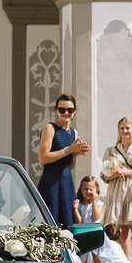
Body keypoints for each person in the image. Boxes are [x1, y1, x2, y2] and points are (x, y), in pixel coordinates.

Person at [36, 94, 88, 227]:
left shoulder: (73, 132)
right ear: (56, 110)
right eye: (62, 110)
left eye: (69, 110)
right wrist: (69, 149)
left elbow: (70, 166)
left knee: (67, 222)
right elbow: (43, 158)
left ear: (74, 111)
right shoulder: (50, 128)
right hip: (51, 181)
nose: (66, 113)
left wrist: (76, 153)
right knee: (50, 222)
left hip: (66, 182)